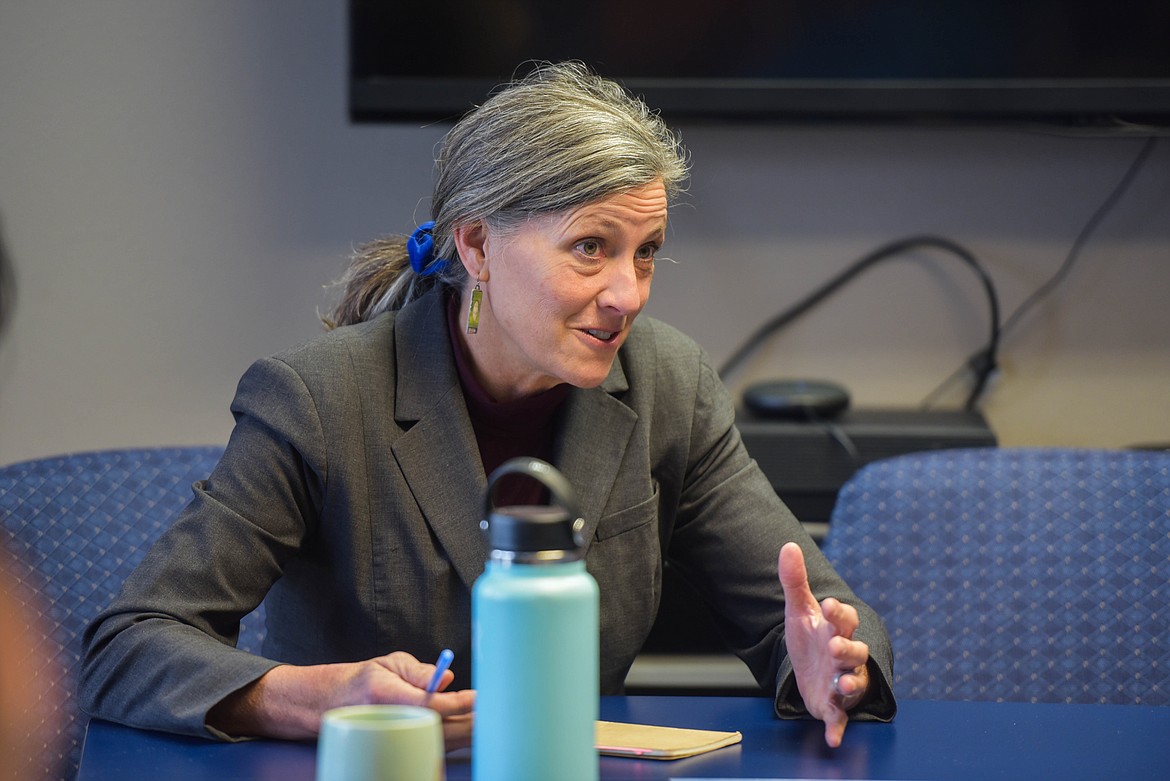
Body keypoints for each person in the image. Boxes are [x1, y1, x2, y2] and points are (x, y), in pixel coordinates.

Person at [79, 61, 895, 751]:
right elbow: (130, 645)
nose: (628, 294)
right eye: (590, 248)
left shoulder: (668, 384)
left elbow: (822, 620)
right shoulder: (320, 400)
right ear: (475, 247)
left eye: (645, 253)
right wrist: (307, 697)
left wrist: (831, 665)